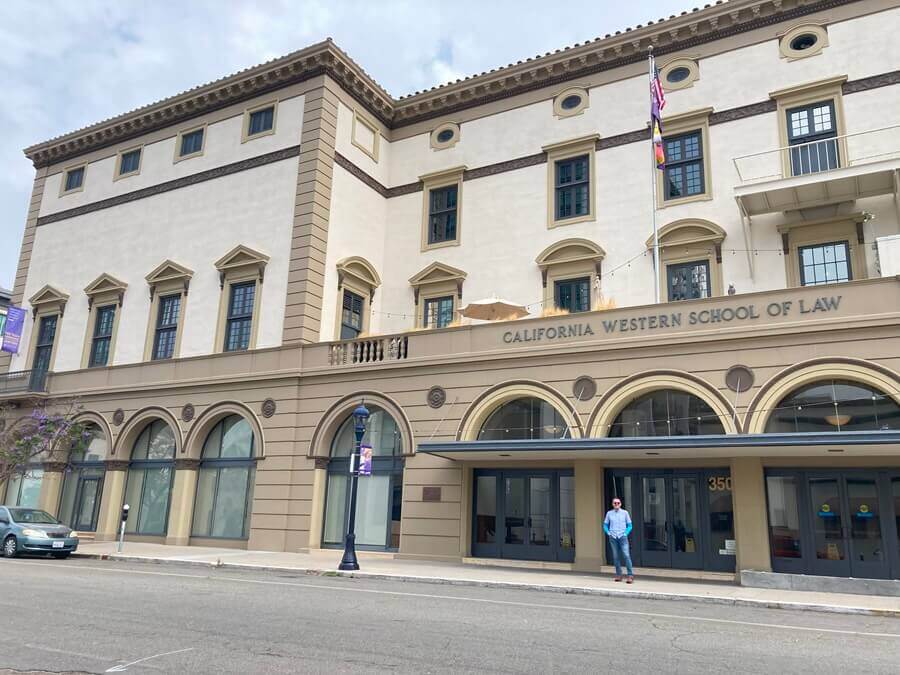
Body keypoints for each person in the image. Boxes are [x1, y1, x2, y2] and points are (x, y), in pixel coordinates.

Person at [603, 497, 634, 583]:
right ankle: (619, 575)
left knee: (626, 555)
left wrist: (625, 533)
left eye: (618, 503)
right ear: (612, 504)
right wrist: (608, 533)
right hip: (613, 537)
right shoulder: (609, 513)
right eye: (615, 503)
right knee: (616, 557)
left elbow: (630, 525)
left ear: (620, 504)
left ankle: (630, 575)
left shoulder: (625, 513)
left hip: (622, 537)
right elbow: (605, 525)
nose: (616, 504)